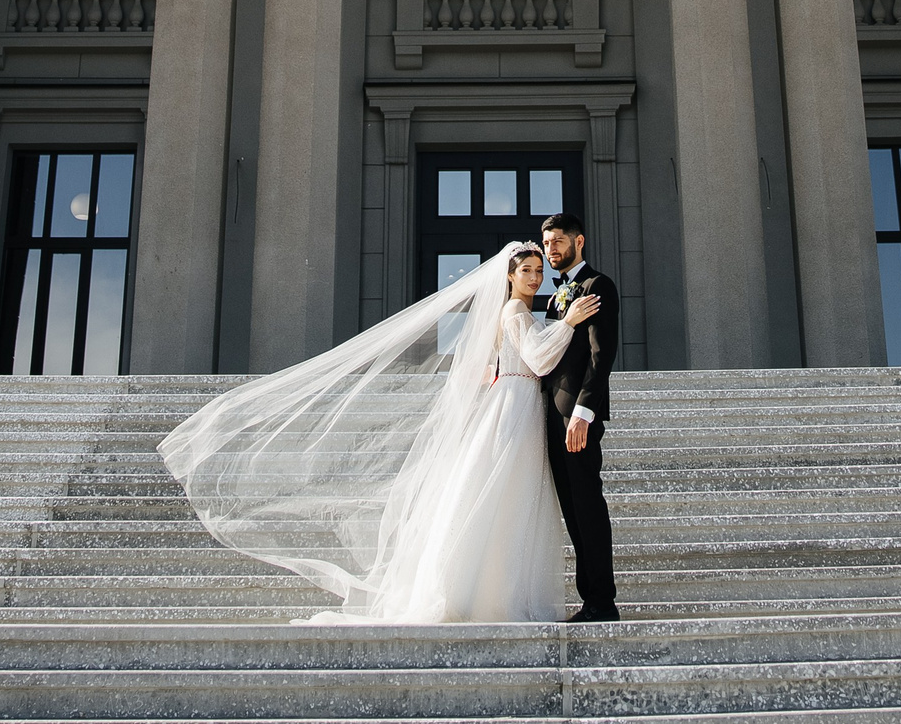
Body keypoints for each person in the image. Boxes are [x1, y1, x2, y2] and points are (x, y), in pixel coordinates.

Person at [158, 240, 604, 624]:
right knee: (503, 494)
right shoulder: (513, 311)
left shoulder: (522, 312)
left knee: (512, 499)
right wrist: (568, 324)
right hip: (514, 404)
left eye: (538, 270)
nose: (534, 276)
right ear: (508, 276)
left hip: (519, 402)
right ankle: (487, 594)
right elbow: (539, 359)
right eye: (526, 270)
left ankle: (500, 591)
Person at [538, 211, 618, 621]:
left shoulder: (597, 285)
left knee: (588, 505)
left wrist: (583, 413)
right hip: (552, 416)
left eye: (558, 242)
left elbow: (600, 356)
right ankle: (590, 599)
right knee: (572, 509)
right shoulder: (556, 298)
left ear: (578, 242)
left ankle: (603, 602)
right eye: (547, 243)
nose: (552, 250)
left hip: (577, 418)